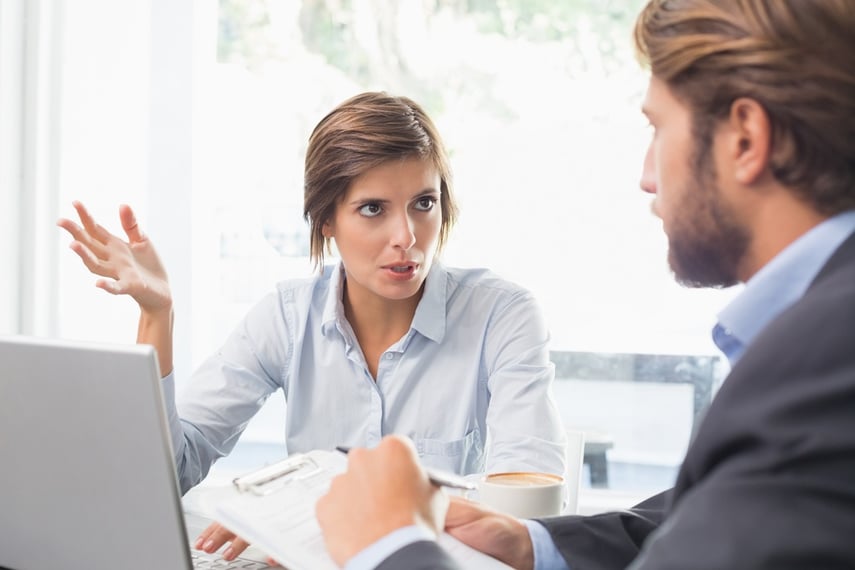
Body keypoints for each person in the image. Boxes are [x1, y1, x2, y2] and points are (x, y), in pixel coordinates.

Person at [315, 1, 855, 568]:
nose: (647, 176)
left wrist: (389, 547)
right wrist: (533, 542)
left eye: (658, 128)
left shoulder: (825, 358)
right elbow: (722, 514)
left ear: (745, 138)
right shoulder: (820, 338)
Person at [57, 92, 568, 561]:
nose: (406, 237)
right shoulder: (286, 316)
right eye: (373, 209)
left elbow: (527, 508)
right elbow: (170, 472)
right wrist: (157, 315)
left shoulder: (503, 314)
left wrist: (301, 521)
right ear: (326, 220)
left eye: (424, 203)